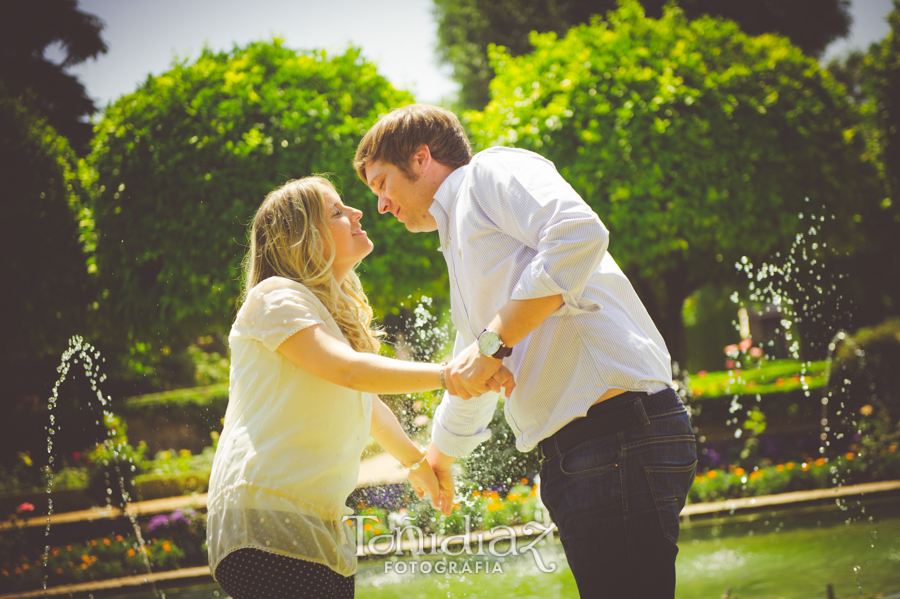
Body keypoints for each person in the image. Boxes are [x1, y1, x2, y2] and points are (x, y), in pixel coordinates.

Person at [354, 104, 697, 599]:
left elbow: (578, 234)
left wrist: (492, 344)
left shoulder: (490, 172)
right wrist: (438, 457)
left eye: (382, 183)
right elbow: (472, 369)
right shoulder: (462, 241)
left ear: (421, 157)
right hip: (591, 449)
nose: (382, 205)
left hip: (614, 436)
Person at [205, 175, 515, 599]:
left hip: (311, 524)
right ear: (301, 239)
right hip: (267, 519)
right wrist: (452, 374)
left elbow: (365, 402)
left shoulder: (318, 312)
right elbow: (350, 371)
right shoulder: (275, 296)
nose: (357, 213)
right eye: (337, 212)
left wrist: (417, 463)